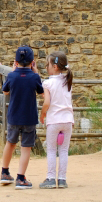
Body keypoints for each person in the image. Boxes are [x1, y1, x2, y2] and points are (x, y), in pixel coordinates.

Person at [0, 46, 44, 190]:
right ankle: (20, 178)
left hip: (13, 116)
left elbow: (5, 92)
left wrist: (13, 72)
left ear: (16, 61)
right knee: (26, 148)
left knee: (10, 143)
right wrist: (35, 72)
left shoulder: (12, 76)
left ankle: (5, 172)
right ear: (32, 62)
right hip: (29, 118)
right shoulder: (34, 77)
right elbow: (40, 91)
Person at [39, 51, 74, 189]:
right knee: (64, 150)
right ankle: (62, 179)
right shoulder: (67, 81)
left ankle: (51, 178)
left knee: (52, 150)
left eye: (48, 64)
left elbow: (47, 102)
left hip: (54, 120)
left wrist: (42, 113)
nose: (46, 67)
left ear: (54, 67)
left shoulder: (47, 83)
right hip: (67, 120)